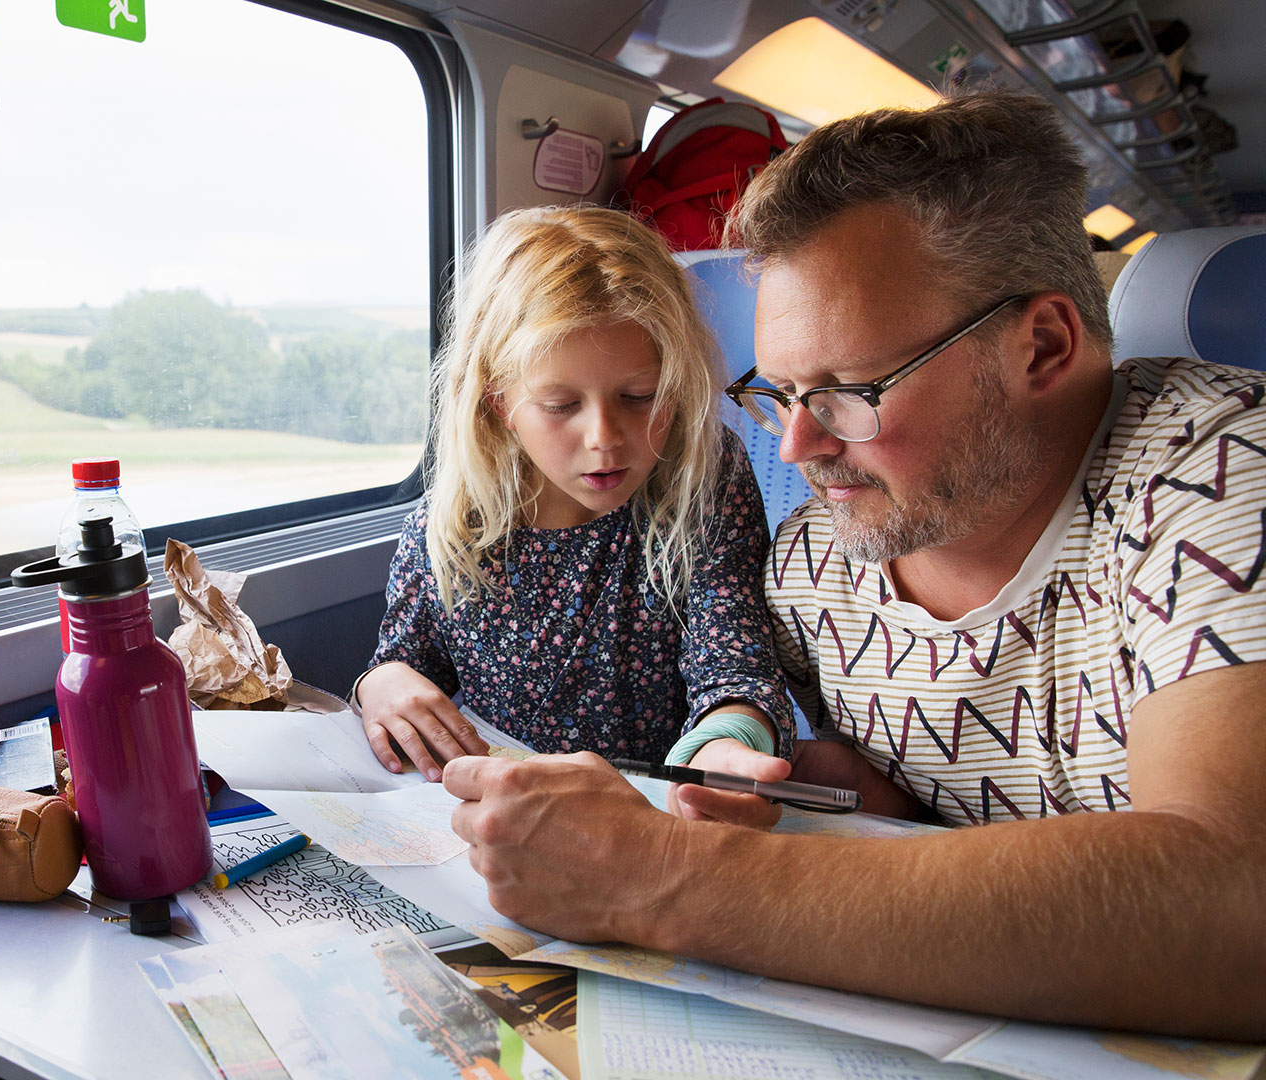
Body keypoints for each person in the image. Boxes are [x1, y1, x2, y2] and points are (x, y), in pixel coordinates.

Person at [444, 90, 1266, 1040]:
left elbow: (1237, 900)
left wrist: (664, 879)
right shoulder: (812, 571)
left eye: (846, 393)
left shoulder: (1219, 472)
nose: (794, 449)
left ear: (1039, 345)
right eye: (781, 393)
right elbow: (908, 789)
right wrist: (799, 785)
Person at [351, 204, 795, 785]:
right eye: (561, 406)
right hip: (497, 809)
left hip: (651, 806)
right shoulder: (458, 518)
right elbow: (406, 662)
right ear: (499, 403)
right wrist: (379, 685)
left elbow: (734, 664)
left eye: (640, 396)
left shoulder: (703, 480)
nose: (605, 438)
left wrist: (727, 742)